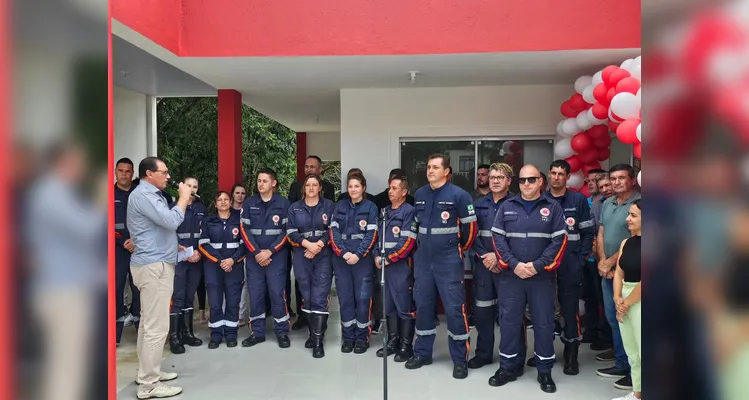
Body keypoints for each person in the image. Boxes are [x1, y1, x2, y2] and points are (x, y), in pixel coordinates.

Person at [489, 164, 567, 393]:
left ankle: (545, 372)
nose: (526, 184)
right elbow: (497, 240)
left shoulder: (552, 208)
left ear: (540, 181)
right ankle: (508, 367)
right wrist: (515, 265)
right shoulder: (506, 207)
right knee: (509, 323)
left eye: (531, 180)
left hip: (541, 278)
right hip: (511, 278)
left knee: (543, 324)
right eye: (522, 180)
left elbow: (559, 241)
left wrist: (537, 265)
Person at [406, 153, 477, 380]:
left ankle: (459, 360)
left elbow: (470, 231)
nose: (430, 171)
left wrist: (456, 250)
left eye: (435, 167)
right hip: (423, 262)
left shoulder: (460, 195)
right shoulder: (419, 194)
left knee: (455, 310)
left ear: (447, 171)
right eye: (428, 167)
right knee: (423, 306)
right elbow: (415, 227)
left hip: (448, 261)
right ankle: (423, 353)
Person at [127, 156, 192, 399]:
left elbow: (158, 228)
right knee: (156, 326)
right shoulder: (144, 195)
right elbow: (171, 220)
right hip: (154, 267)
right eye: (163, 172)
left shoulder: (149, 195)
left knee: (147, 324)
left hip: (154, 263)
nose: (168, 176)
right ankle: (149, 384)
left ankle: (148, 372)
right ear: (148, 174)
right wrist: (184, 199)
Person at [527, 160, 593, 375]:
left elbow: (587, 232)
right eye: (553, 173)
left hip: (570, 264)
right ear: (548, 175)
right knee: (542, 310)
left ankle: (571, 355)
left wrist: (581, 258)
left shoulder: (578, 200)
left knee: (569, 308)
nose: (556, 177)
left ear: (567, 176)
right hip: (544, 264)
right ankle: (543, 353)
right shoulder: (539, 199)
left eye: (561, 174)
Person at [596, 164, 640, 391]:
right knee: (615, 319)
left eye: (621, 178)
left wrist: (612, 262)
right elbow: (601, 233)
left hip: (630, 272)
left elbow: (635, 238)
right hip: (609, 272)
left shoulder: (640, 205)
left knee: (633, 322)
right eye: (613, 178)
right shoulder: (607, 203)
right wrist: (603, 262)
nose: (616, 182)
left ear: (633, 180)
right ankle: (622, 363)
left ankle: (635, 371)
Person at [239, 168, 293, 348]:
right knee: (256, 295)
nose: (260, 184)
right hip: (254, 257)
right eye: (259, 181)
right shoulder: (249, 203)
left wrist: (269, 252)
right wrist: (256, 252)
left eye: (264, 181)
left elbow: (286, 232)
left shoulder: (283, 204)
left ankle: (282, 332)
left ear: (273, 183)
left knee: (278, 295)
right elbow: (244, 231)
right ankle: (257, 333)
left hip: (276, 257)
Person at [467, 163, 513, 370]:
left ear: (509, 181)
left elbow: (519, 239)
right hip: (484, 266)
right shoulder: (478, 204)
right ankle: (484, 354)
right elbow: (471, 235)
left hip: (508, 268)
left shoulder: (516, 204)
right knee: (483, 313)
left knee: (510, 315)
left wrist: (500, 258)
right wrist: (486, 256)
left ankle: (512, 357)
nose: (494, 180)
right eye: (492, 177)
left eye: (500, 177)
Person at [286, 174, 336, 358]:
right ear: (304, 188)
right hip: (302, 255)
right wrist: (308, 245)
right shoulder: (294, 208)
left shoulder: (329, 206)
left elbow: (333, 229)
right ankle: (312, 333)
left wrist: (319, 246)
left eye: (315, 185)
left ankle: (317, 341)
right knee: (307, 296)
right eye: (308, 185)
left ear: (320, 187)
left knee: (320, 295)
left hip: (323, 255)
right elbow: (290, 232)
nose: (312, 188)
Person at [330, 174, 379, 353]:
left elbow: (372, 235)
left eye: (356, 186)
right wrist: (344, 253)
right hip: (342, 259)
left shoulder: (371, 207)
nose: (353, 189)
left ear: (363, 188)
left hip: (362, 260)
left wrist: (358, 254)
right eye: (350, 186)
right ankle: (348, 337)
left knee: (363, 298)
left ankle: (362, 337)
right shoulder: (340, 206)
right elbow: (333, 233)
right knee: (345, 299)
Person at [373, 175, 417, 361]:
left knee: (404, 306)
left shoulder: (409, 212)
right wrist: (376, 255)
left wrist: (390, 258)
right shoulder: (384, 212)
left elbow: (408, 241)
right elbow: (376, 238)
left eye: (394, 188)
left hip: (400, 267)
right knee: (388, 305)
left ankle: (406, 346)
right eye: (389, 188)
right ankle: (393, 341)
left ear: (404, 192)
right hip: (383, 266)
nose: (390, 191)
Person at [197, 191, 247, 349]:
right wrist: (220, 261)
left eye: (226, 199)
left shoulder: (239, 220)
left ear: (231, 202)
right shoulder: (208, 220)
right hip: (213, 266)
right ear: (215, 203)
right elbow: (203, 244)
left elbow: (245, 243)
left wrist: (232, 260)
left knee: (233, 301)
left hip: (234, 265)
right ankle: (216, 335)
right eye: (220, 200)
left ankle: (231, 334)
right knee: (215, 302)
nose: (223, 202)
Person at [169, 177, 205, 353]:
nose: (192, 189)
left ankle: (188, 333)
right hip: (178, 257)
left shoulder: (201, 209)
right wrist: (179, 247)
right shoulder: (172, 207)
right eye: (188, 185)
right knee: (178, 296)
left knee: (190, 296)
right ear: (181, 188)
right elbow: (166, 232)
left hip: (196, 258)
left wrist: (198, 251)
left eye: (195, 186)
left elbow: (204, 234)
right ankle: (174, 337)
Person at [612, 200, 642, 400]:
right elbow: (619, 273)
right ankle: (638, 393)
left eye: (633, 215)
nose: (627, 219)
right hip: (625, 299)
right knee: (632, 351)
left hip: (640, 300)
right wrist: (617, 298)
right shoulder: (627, 242)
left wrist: (626, 303)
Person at [583, 172, 614, 351]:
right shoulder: (597, 205)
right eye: (602, 187)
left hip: (618, 261)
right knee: (593, 297)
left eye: (607, 185)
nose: (605, 189)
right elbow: (594, 233)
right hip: (596, 260)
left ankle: (607, 337)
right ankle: (595, 332)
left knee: (607, 301)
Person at [114, 157, 141, 344]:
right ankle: (114, 335)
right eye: (120, 170)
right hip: (117, 248)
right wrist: (124, 241)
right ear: (115, 172)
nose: (124, 174)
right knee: (115, 289)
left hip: (139, 248)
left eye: (128, 171)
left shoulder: (139, 194)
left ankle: (142, 332)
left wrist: (137, 241)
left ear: (133, 174)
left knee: (139, 288)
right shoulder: (106, 194)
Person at [230, 183, 251, 324]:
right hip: (228, 254)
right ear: (232, 194)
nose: (240, 196)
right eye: (237, 193)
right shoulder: (226, 211)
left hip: (245, 252)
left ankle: (240, 314)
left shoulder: (248, 211)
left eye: (243, 193)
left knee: (244, 284)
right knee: (229, 284)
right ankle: (228, 312)